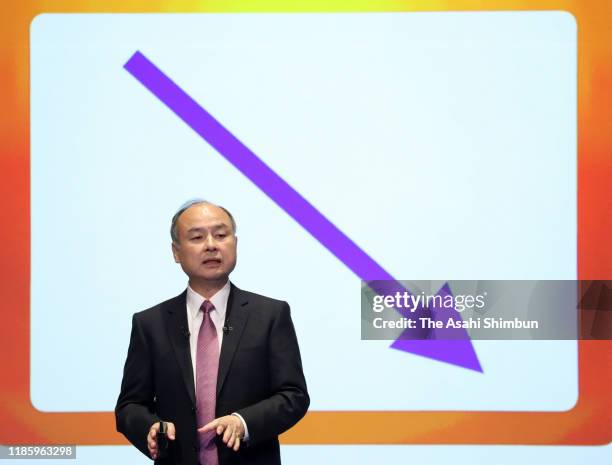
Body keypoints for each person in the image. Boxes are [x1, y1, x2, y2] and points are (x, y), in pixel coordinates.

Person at [115, 199, 309, 465]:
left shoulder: (270, 315)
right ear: (176, 252)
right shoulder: (150, 324)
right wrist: (149, 427)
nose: (211, 245)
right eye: (197, 236)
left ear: (235, 244)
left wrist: (243, 422)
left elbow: (293, 396)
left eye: (220, 235)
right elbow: (129, 406)